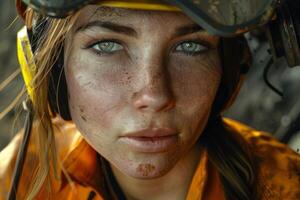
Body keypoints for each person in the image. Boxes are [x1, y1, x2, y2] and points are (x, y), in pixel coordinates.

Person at [0, 0, 300, 199]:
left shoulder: (287, 187)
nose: (154, 96)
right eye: (107, 45)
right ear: (49, 68)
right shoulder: (21, 174)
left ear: (231, 69)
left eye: (192, 47)